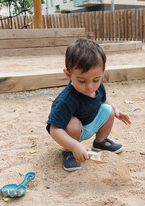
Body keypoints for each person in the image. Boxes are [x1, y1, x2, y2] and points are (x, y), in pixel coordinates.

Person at [46, 38, 131, 171]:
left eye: (96, 79)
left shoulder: (98, 87)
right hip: (73, 132)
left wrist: (117, 110)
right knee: (72, 123)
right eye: (82, 81)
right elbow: (54, 129)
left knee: (108, 110)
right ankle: (69, 152)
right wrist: (74, 146)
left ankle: (100, 142)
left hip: (90, 123)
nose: (90, 86)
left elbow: (103, 100)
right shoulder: (66, 100)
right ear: (68, 74)